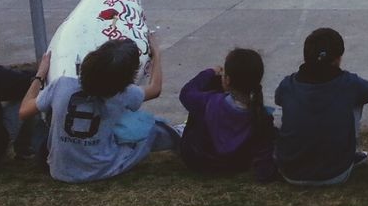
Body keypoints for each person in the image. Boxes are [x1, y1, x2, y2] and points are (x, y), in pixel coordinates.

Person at [20, 38, 179, 183]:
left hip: (59, 170)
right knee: (153, 128)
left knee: (45, 122)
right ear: (126, 79)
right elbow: (155, 89)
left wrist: (40, 73)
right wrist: (156, 55)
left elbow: (24, 111)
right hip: (101, 169)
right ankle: (180, 135)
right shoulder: (125, 94)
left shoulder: (61, 85)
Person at [274, 28, 368, 186]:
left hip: (290, 172)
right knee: (357, 98)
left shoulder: (288, 84)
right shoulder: (348, 83)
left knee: (294, 105)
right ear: (338, 59)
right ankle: (349, 152)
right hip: (336, 173)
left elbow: (278, 99)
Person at [178, 48, 277, 182]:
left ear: (227, 80)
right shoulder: (261, 116)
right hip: (236, 164)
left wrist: (210, 72)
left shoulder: (209, 102)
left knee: (202, 98)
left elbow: (186, 93)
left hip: (199, 161)